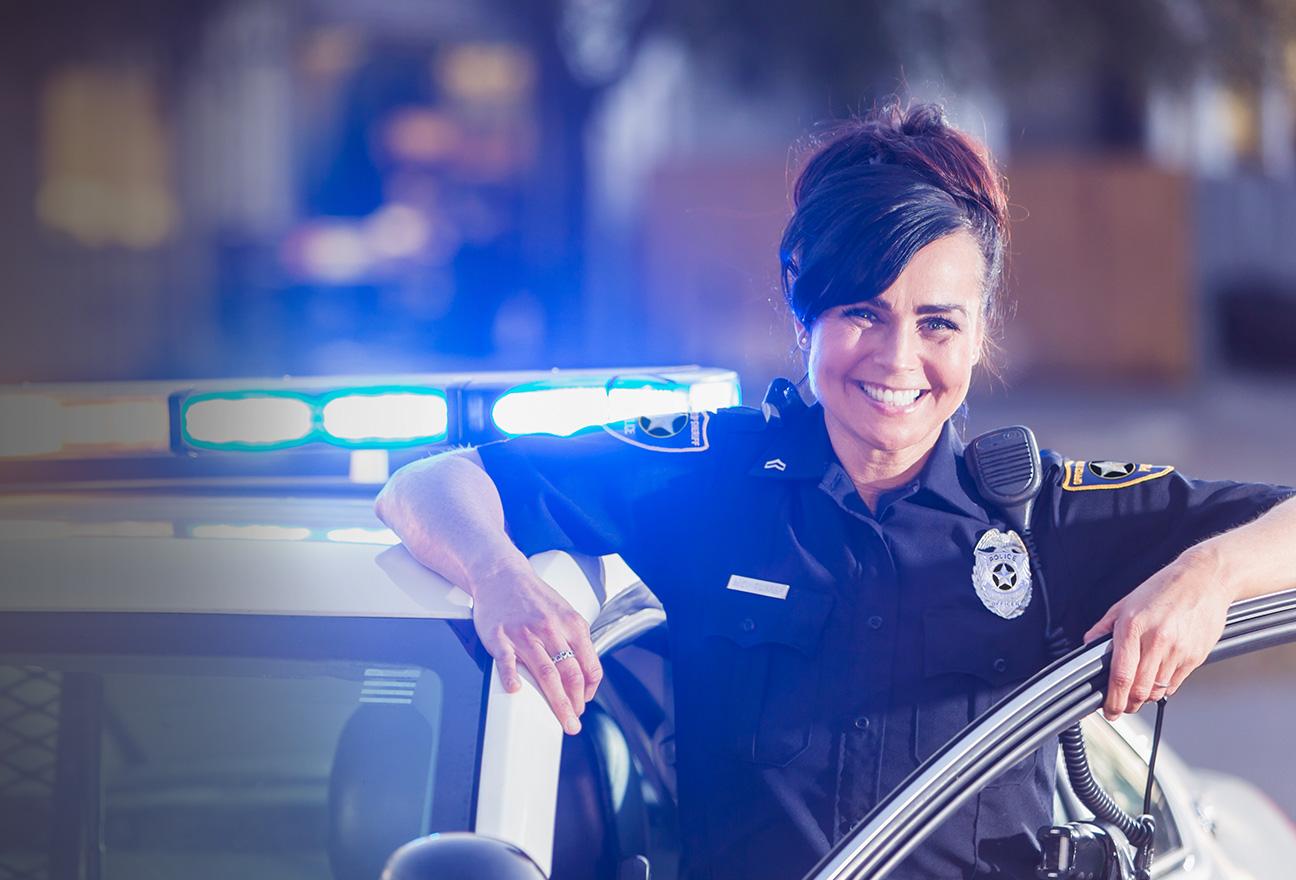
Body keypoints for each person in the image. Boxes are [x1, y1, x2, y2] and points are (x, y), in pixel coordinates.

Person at [375, 101, 1296, 879]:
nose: (900, 360)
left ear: (979, 333)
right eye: (864, 312)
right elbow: (432, 479)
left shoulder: (1042, 515)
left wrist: (1206, 576)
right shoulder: (709, 482)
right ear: (800, 299)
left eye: (939, 323)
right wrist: (500, 578)